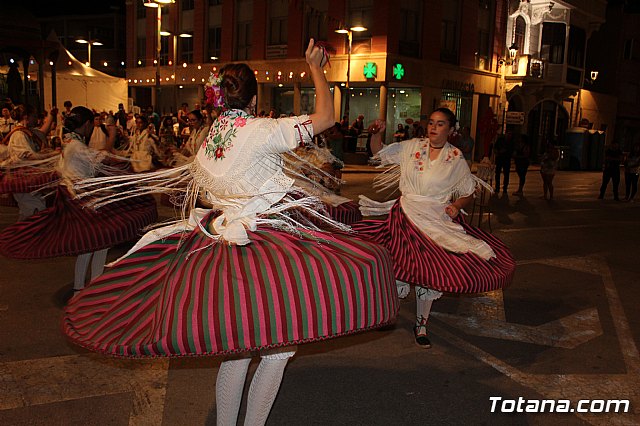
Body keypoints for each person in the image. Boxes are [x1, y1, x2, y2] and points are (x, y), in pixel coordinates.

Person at [63, 40, 398, 426]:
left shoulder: (213, 136)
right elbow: (326, 116)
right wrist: (316, 68)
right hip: (266, 247)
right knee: (275, 350)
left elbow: (208, 190)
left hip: (223, 242)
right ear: (253, 101)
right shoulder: (262, 130)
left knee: (238, 347)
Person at [354, 107, 515, 348]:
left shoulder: (455, 157)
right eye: (431, 122)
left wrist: (456, 205)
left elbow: (467, 191)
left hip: (435, 220)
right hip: (405, 215)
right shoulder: (412, 147)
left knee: (427, 275)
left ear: (451, 130)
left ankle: (421, 325)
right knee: (396, 266)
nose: (433, 127)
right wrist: (374, 134)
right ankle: (389, 313)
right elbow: (379, 153)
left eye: (440, 124)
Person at [0, 106, 157, 293]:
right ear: (88, 124)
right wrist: (112, 136)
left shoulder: (70, 143)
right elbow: (103, 158)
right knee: (99, 242)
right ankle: (89, 288)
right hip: (82, 200)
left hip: (79, 199)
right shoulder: (76, 146)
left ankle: (82, 288)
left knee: (92, 245)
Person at [1, 104, 59, 219]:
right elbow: (27, 156)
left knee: (32, 212)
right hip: (22, 180)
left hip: (28, 180)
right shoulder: (18, 134)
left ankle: (24, 235)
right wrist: (49, 156)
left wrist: (52, 115)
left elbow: (43, 132)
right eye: (34, 116)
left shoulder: (28, 132)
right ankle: (21, 235)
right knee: (34, 212)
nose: (36, 119)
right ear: (26, 117)